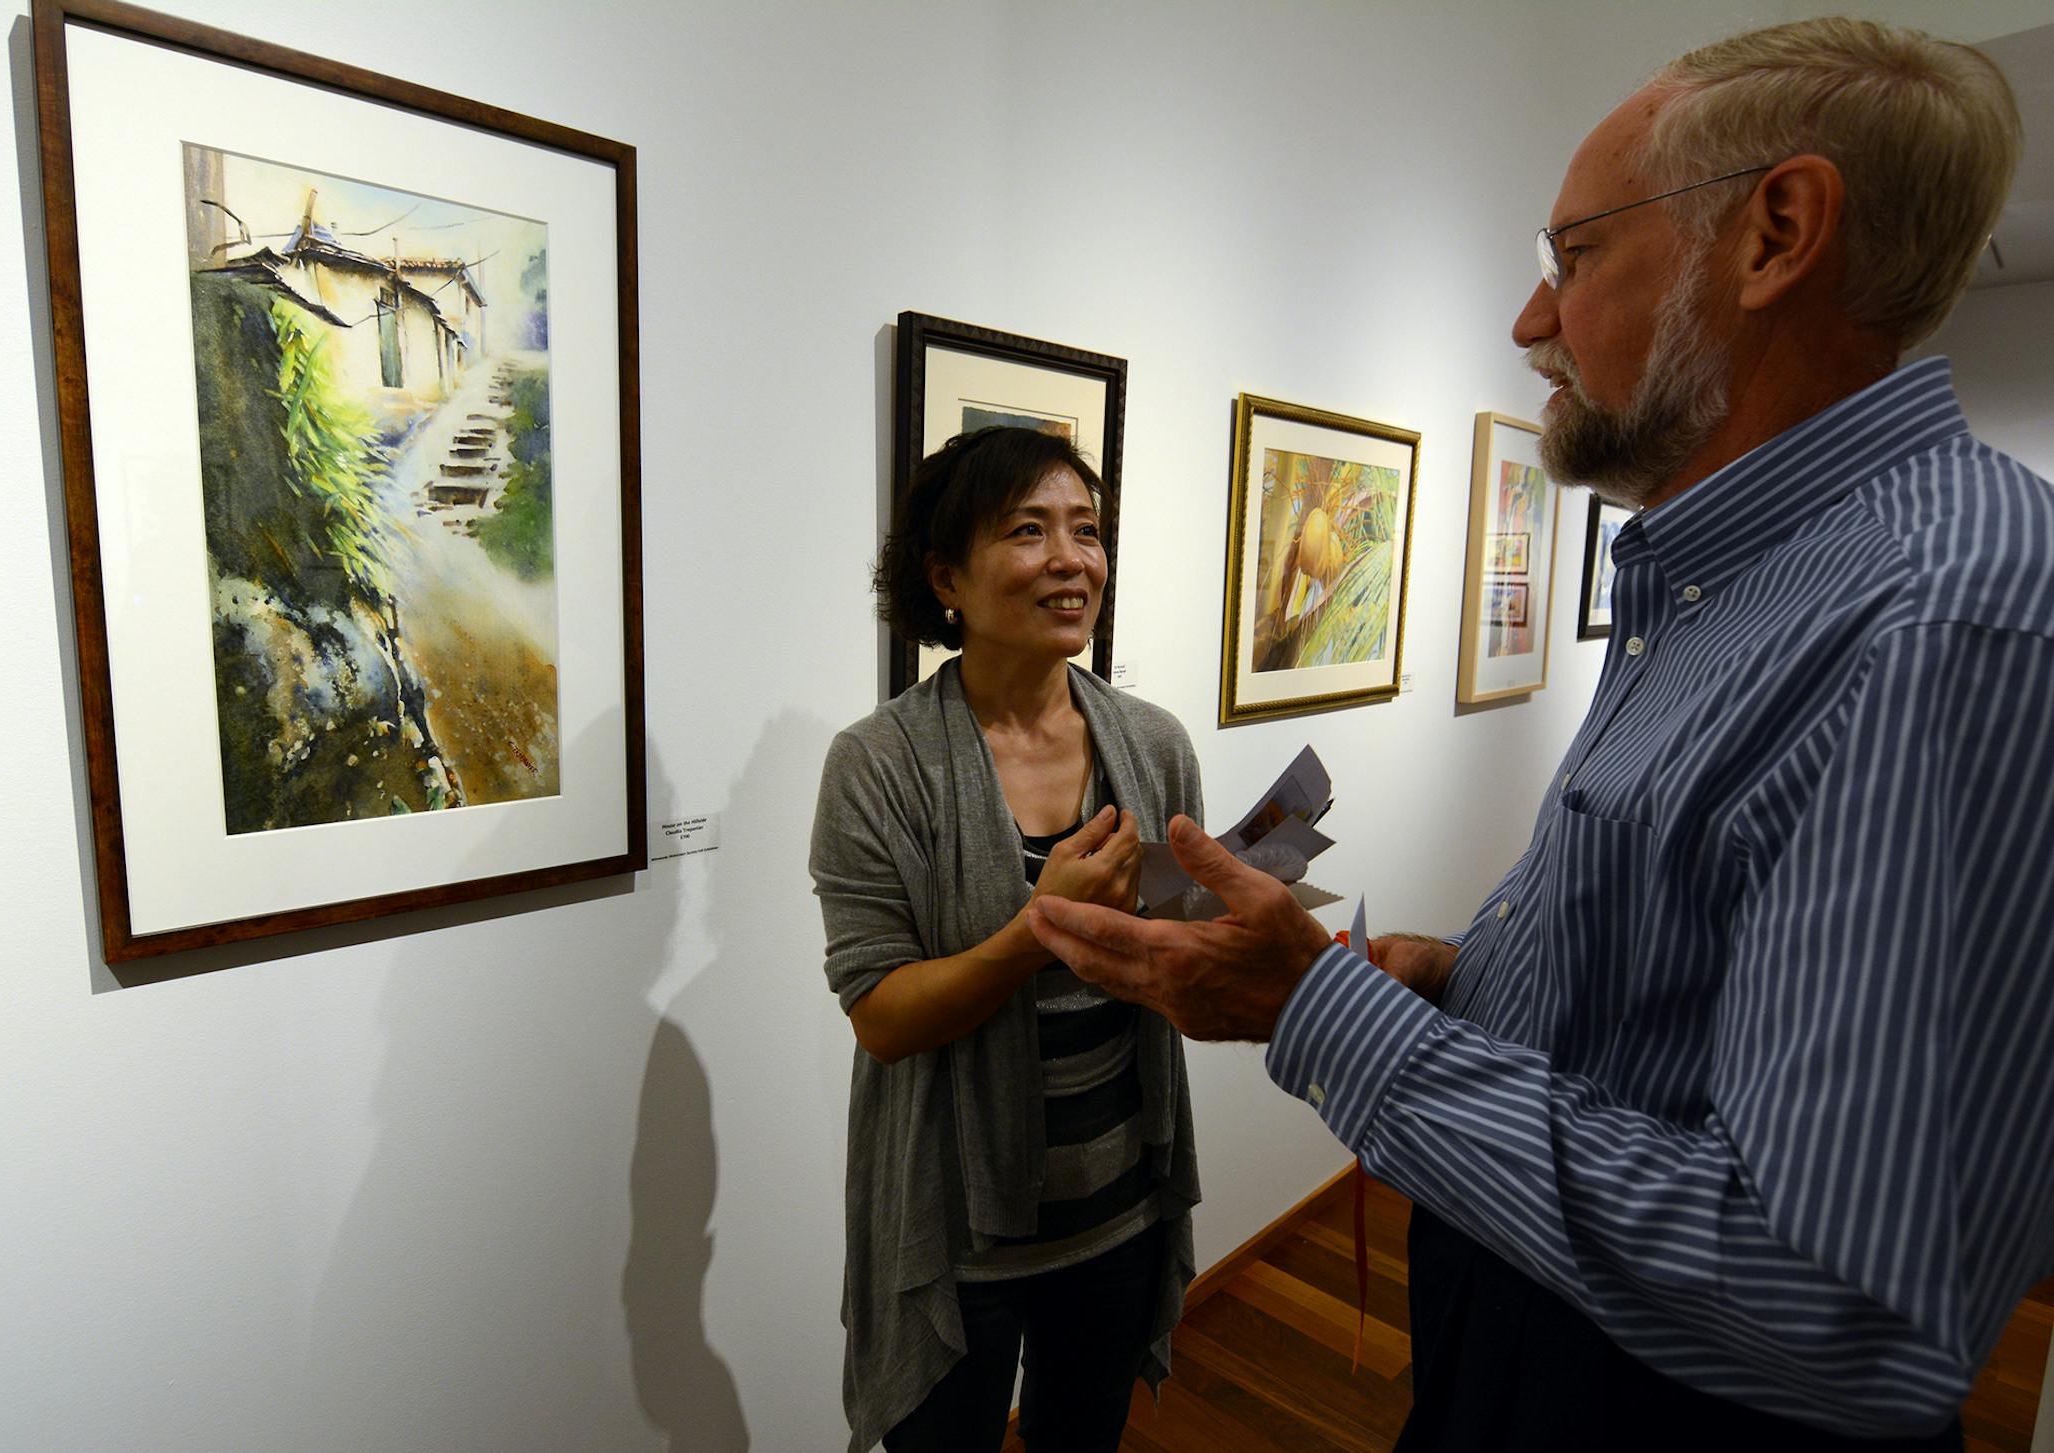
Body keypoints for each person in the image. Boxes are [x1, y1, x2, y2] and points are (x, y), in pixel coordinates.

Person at [1026, 17, 2053, 1452]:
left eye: (1574, 257)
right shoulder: (1727, 576)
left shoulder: (1941, 618)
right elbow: (1690, 973)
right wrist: (1470, 983)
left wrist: (1317, 1011)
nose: (1527, 320)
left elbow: (1841, 1310)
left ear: (1774, 234)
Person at [810, 426, 1203, 1452]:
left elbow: (1176, 962)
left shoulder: (1152, 744)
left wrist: (1240, 936)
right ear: (947, 576)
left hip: (1118, 1204)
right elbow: (883, 1017)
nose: (1073, 559)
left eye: (1087, 529)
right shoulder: (879, 764)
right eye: (1029, 531)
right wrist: (1038, 931)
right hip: (957, 1233)